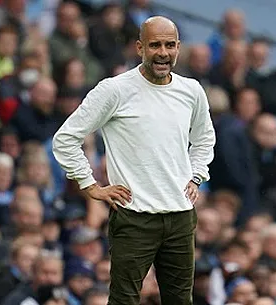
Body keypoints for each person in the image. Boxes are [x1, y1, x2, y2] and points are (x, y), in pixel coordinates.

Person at [52, 16, 216, 305]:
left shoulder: (192, 90)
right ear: (139, 47)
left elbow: (204, 139)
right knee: (124, 301)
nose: (162, 53)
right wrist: (91, 186)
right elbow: (65, 139)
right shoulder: (114, 89)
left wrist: (196, 175)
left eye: (169, 45)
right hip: (133, 217)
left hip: (180, 217)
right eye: (154, 45)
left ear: (178, 47)